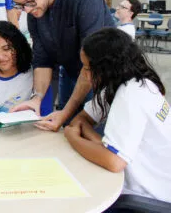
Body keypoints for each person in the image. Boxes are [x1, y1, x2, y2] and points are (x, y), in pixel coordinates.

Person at [64, 28, 171, 204]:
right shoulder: (127, 82)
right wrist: (98, 142)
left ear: (106, 68)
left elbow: (114, 162)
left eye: (87, 68)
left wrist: (73, 138)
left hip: (149, 197)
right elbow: (80, 121)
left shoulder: (131, 94)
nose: (83, 74)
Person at [7, 0, 115, 131]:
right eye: (20, 5)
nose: (26, 10)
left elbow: (92, 64)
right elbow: (42, 59)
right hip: (72, 73)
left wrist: (65, 112)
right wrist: (37, 98)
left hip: (103, 78)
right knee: (68, 129)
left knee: (93, 135)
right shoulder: (34, 12)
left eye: (29, 2)